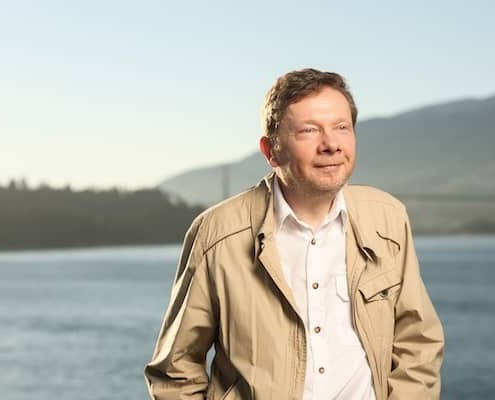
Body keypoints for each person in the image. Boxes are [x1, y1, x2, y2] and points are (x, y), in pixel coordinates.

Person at [144, 68, 444, 400]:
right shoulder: (217, 234)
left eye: (342, 127)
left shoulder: (388, 219)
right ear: (271, 151)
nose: (331, 144)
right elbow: (175, 372)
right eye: (309, 131)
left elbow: (418, 342)